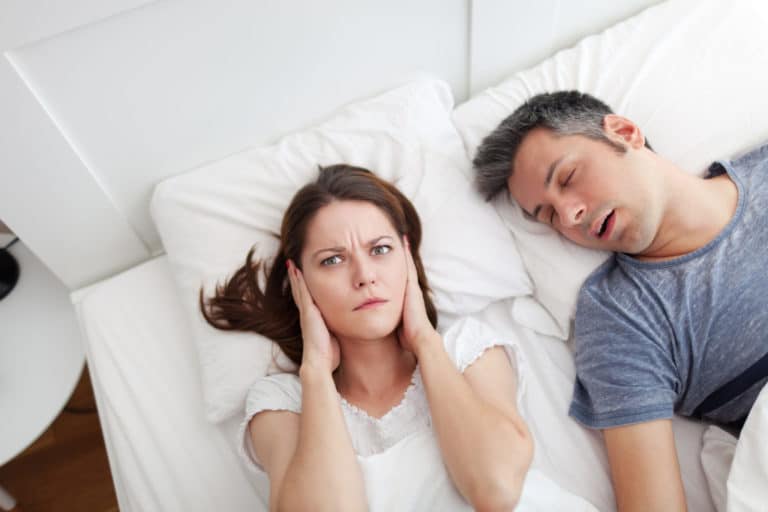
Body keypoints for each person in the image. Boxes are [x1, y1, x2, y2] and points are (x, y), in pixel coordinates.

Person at [200, 164, 600, 511]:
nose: (364, 275)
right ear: (299, 280)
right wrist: (317, 372)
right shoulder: (283, 403)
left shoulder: (467, 350)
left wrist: (425, 341)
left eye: (381, 249)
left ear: (407, 259)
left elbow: (495, 491)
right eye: (333, 260)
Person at [472, 91, 768, 511]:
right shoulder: (622, 317)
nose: (570, 216)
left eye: (569, 178)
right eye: (549, 216)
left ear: (624, 133)